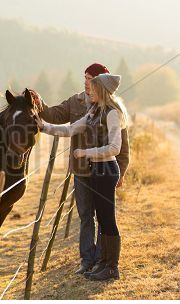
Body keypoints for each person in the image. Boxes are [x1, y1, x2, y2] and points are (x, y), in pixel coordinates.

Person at [38, 64, 130, 275]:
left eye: (93, 85)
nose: (88, 89)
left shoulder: (112, 114)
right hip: (96, 170)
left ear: (101, 90)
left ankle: (110, 266)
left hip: (106, 170)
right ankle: (101, 264)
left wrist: (86, 153)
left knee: (107, 218)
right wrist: (42, 127)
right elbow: (70, 129)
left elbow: (116, 148)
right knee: (98, 216)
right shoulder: (93, 111)